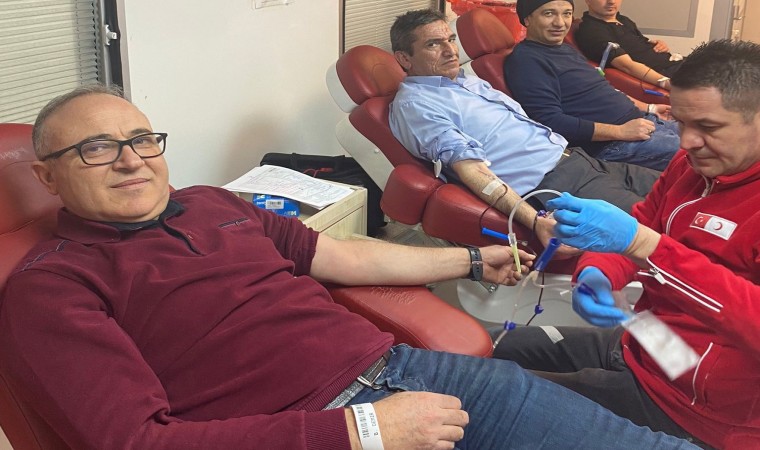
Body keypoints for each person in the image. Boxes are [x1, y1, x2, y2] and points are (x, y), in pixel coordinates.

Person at [0, 85, 699, 450]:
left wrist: (470, 259)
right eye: (95, 148)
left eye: (141, 139)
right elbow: (131, 441)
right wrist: (362, 431)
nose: (131, 160)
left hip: (413, 374)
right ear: (47, 176)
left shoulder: (213, 202)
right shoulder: (53, 287)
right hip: (320, 426)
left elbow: (341, 254)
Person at [493, 39, 760, 449]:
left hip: (698, 409)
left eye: (707, 127)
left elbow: (642, 239)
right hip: (651, 343)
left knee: (493, 398)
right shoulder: (690, 167)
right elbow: (642, 223)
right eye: (681, 123)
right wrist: (597, 272)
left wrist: (644, 245)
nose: (686, 142)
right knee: (484, 346)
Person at [388, 8, 660, 253]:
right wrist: (536, 221)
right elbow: (472, 171)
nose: (450, 51)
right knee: (657, 231)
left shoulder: (465, 82)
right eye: (433, 44)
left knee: (673, 192)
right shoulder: (416, 105)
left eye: (450, 39)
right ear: (404, 58)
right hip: (556, 186)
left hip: (582, 161)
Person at [505, 0, 680, 171]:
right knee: (695, 152)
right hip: (614, 143)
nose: (560, 23)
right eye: (548, 13)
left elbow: (603, 90)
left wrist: (649, 108)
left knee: (697, 131)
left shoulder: (565, 49)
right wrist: (620, 131)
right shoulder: (527, 61)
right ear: (527, 19)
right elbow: (549, 121)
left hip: (641, 123)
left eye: (566, 14)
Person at [575, 0, 683, 88]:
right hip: (664, 73)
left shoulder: (623, 20)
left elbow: (639, 45)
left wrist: (657, 44)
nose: (611, 1)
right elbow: (626, 66)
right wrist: (666, 83)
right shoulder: (592, 30)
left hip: (675, 63)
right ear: (588, 1)